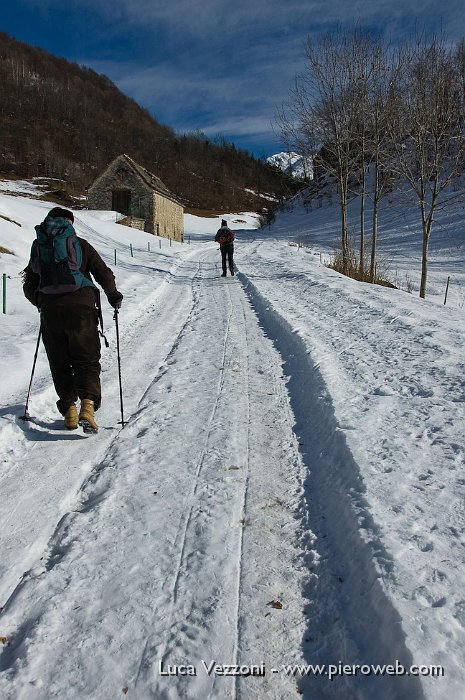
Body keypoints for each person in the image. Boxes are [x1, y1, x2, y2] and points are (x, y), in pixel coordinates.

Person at [23, 207, 123, 433]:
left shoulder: (39, 247)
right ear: (69, 223)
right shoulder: (80, 244)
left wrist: (42, 303)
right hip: (81, 309)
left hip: (51, 313)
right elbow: (103, 273)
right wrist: (113, 295)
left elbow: (29, 286)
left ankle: (69, 410)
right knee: (86, 360)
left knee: (59, 362)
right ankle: (87, 406)